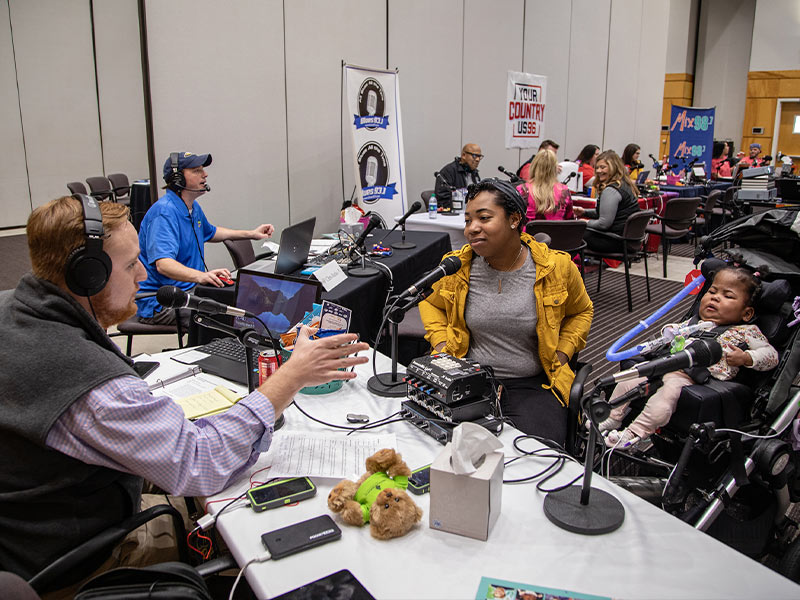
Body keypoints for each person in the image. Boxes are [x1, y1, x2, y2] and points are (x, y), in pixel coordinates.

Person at [0, 196, 368, 591]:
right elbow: (199, 463)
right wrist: (289, 378)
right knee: (252, 536)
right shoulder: (83, 379)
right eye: (129, 265)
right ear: (87, 276)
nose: (143, 275)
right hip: (83, 560)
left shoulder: (13, 311)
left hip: (27, 534)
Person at [419, 179, 593, 445]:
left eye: (484, 218)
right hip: (467, 380)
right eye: (468, 220)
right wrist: (441, 343)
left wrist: (562, 352)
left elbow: (582, 311)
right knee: (438, 446)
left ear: (514, 219)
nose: (472, 228)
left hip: (533, 383)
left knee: (536, 457)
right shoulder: (458, 268)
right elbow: (430, 302)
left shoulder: (556, 267)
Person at [600, 266, 778, 449]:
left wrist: (746, 357)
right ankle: (611, 418)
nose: (715, 297)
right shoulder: (694, 323)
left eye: (728, 296)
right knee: (630, 377)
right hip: (667, 363)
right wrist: (670, 332)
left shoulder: (746, 332)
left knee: (666, 395)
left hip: (696, 377)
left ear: (746, 313)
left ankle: (634, 433)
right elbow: (671, 333)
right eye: (712, 291)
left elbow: (771, 355)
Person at [136, 151, 276, 325]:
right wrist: (201, 277)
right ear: (177, 179)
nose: (205, 174)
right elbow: (164, 265)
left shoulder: (191, 208)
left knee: (246, 301)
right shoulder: (164, 214)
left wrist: (251, 234)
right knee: (230, 316)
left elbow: (212, 232)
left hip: (191, 291)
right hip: (165, 303)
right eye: (196, 170)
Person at [573, 150, 640, 254]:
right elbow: (609, 214)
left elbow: (604, 224)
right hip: (626, 240)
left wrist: (584, 222)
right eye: (597, 167)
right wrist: (584, 212)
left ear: (614, 168)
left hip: (615, 241)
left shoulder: (611, 190)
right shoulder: (624, 185)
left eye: (603, 167)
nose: (599, 171)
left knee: (571, 235)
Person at [516, 149, 574, 221]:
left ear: (534, 167)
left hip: (529, 231)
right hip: (557, 232)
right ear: (555, 169)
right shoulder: (564, 191)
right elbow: (570, 220)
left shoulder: (522, 190)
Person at [434, 143, 482, 212]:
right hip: (454, 214)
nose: (477, 159)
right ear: (463, 155)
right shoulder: (448, 171)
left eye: (479, 156)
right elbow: (442, 200)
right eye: (474, 156)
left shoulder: (474, 173)